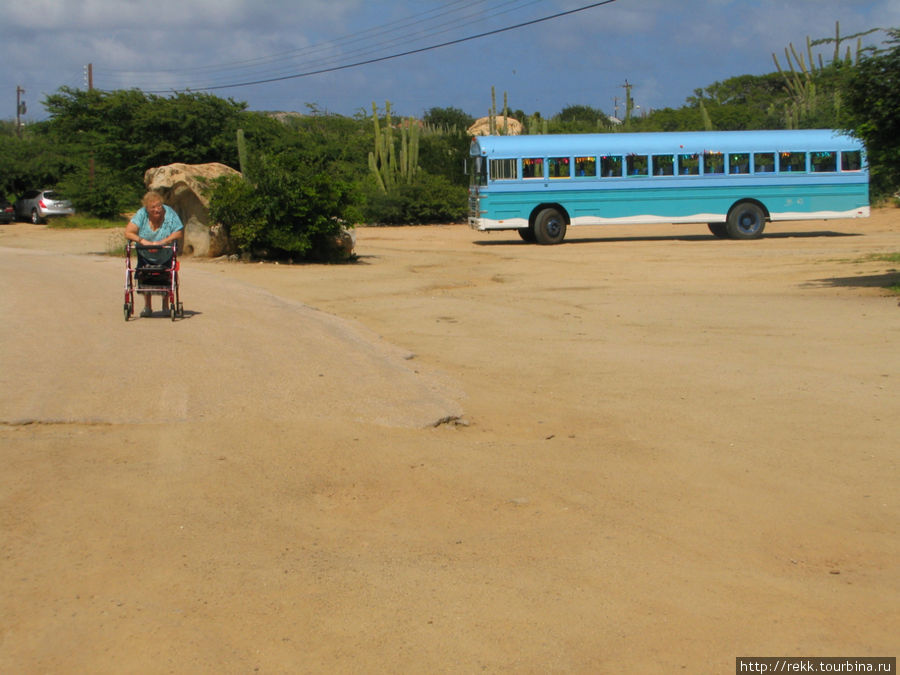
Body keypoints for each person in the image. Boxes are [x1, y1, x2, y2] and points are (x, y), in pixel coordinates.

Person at [125, 191, 184, 317]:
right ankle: (147, 306)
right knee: (146, 276)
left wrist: (162, 242)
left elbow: (178, 232)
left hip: (165, 252)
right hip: (145, 252)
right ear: (147, 208)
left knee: (166, 276)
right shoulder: (141, 214)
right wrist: (144, 242)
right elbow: (129, 232)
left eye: (159, 206)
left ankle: (166, 305)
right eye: (153, 207)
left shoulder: (170, 214)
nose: (157, 209)